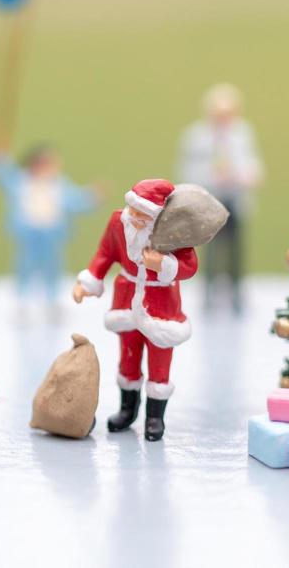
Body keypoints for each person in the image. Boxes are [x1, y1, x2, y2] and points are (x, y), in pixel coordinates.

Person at [72, 179, 199, 442]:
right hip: (127, 300)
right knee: (128, 359)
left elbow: (190, 266)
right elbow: (105, 254)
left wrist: (163, 262)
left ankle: (155, 418)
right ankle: (127, 410)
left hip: (161, 306)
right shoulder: (120, 222)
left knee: (160, 364)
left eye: (144, 214)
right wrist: (89, 282)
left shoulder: (175, 232)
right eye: (134, 211)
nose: (136, 218)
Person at [177, 85, 262, 312]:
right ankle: (208, 296)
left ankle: (236, 296)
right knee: (211, 251)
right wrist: (212, 177)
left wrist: (241, 175)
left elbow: (253, 167)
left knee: (235, 252)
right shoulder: (196, 137)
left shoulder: (243, 134)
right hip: (209, 202)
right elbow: (187, 172)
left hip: (234, 200)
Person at [0, 138, 99, 312]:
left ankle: (52, 300)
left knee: (52, 267)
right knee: (25, 265)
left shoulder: (59, 184)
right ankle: (22, 300)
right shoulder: (22, 182)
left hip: (51, 232)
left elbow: (74, 200)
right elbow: (3, 175)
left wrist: (91, 198)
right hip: (29, 231)